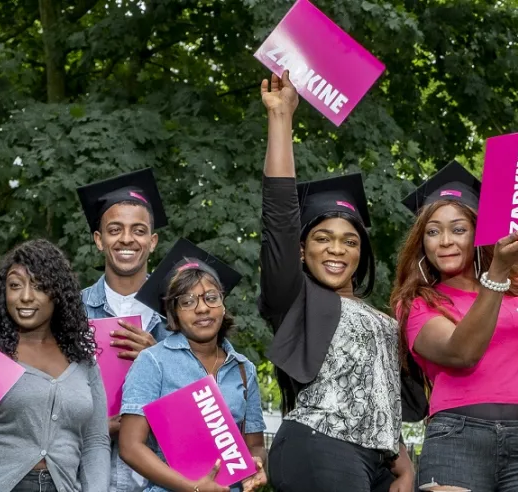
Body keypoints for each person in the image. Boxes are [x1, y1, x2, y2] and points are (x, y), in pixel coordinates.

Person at [258, 70, 419, 492]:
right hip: (319, 443)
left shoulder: (382, 315)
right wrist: (281, 118)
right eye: (322, 238)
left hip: (376, 460)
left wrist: (400, 458)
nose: (336, 249)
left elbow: (381, 389)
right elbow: (278, 218)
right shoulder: (297, 298)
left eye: (350, 241)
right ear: (301, 250)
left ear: (361, 253)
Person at [389, 162, 518, 491]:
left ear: (477, 233)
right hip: (457, 440)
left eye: (458, 229)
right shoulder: (417, 302)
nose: (444, 241)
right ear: (421, 241)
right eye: (433, 231)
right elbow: (462, 352)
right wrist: (496, 274)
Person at [0, 239, 109, 491]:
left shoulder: (83, 361)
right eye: (15, 285)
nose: (25, 297)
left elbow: (95, 441)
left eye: (38, 286)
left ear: (57, 294)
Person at [117, 238, 268, 492]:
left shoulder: (244, 370)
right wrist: (193, 488)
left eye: (211, 297)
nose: (202, 309)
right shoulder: (154, 362)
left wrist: (257, 466)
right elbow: (130, 447)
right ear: (174, 313)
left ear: (222, 305)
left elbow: (254, 445)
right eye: (187, 302)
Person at [76, 169, 168, 491]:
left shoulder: (178, 317)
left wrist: (160, 362)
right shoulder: (70, 312)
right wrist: (97, 426)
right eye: (115, 229)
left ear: (152, 242)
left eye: (138, 230)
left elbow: (200, 408)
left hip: (157, 479)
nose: (127, 239)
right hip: (83, 477)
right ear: (99, 240)